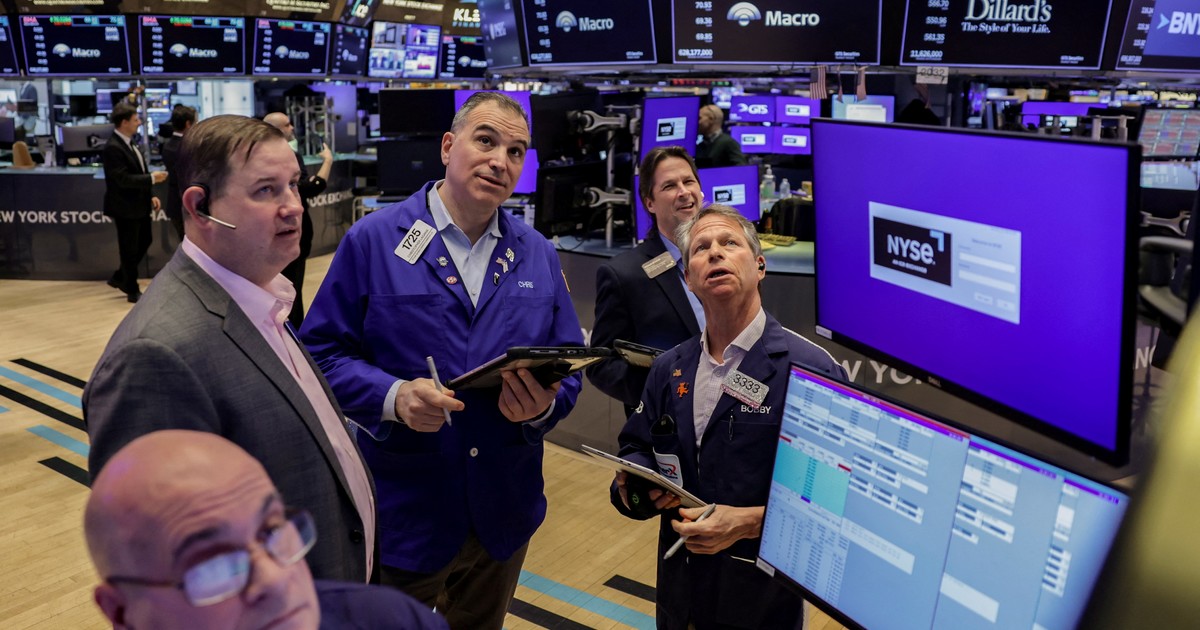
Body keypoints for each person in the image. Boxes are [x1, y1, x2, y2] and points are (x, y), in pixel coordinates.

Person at [301, 91, 584, 629]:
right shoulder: (373, 241)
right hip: (406, 512)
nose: (500, 161)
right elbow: (319, 356)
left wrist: (543, 408)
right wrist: (392, 396)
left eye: (516, 151)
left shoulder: (538, 254)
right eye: (486, 141)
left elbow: (567, 365)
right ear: (448, 147)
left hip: (503, 512)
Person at [84, 114, 376, 585]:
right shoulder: (154, 356)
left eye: (293, 185)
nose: (294, 206)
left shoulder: (264, 298)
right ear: (199, 206)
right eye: (266, 190)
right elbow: (163, 574)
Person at [610, 205, 845, 629]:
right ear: (688, 278)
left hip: (762, 603)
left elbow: (836, 500)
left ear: (760, 266)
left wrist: (752, 522)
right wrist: (635, 487)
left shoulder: (812, 370)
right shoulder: (668, 368)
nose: (715, 253)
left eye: (729, 243)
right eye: (701, 248)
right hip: (680, 599)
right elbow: (637, 447)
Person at [84, 430, 447, 630]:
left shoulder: (392, 619)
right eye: (215, 567)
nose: (276, 580)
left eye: (273, 531)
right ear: (121, 612)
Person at [588, 146, 706, 413]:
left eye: (689, 181)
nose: (684, 192)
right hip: (666, 423)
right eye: (669, 186)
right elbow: (601, 364)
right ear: (649, 203)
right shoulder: (625, 274)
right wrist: (664, 392)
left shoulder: (724, 258)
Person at [263, 112, 334, 328]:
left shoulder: (286, 154)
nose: (292, 128)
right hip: (284, 234)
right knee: (287, 292)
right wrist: (328, 161)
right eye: (287, 125)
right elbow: (310, 188)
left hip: (290, 234)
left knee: (290, 291)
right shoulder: (284, 157)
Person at [102, 102, 168, 303]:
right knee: (129, 249)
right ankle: (131, 288)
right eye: (135, 119)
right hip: (125, 206)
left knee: (145, 240)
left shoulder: (130, 143)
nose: (139, 122)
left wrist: (150, 194)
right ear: (124, 122)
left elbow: (138, 171)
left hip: (139, 203)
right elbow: (122, 179)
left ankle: (120, 277)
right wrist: (152, 179)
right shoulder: (113, 147)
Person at [161, 104, 197, 241]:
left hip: (175, 204)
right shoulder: (188, 147)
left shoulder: (167, 145)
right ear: (188, 124)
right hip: (189, 206)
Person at [696, 104, 746, 168]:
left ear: (711, 119)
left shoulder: (729, 143)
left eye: (699, 118)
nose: (697, 122)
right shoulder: (700, 145)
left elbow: (741, 169)